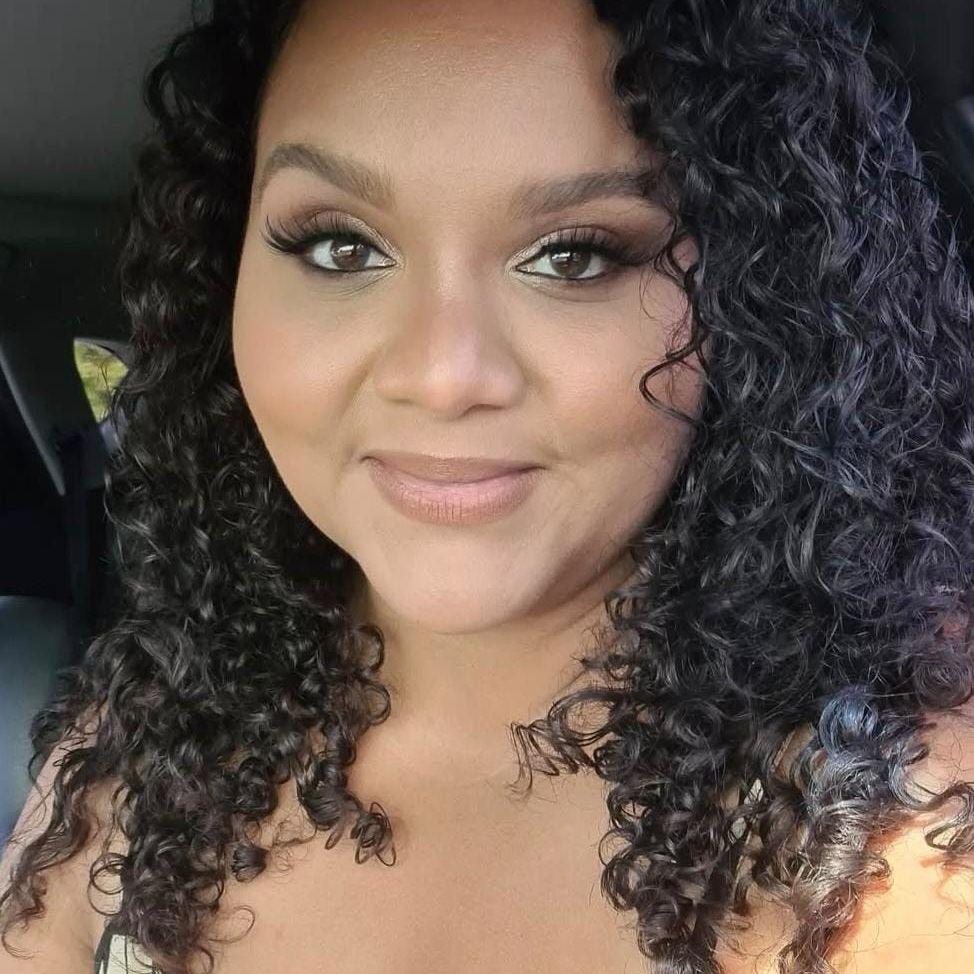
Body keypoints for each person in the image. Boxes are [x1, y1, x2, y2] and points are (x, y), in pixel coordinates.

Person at [2, 0, 974, 972]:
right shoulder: (138, 735)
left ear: (758, 306)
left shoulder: (896, 841)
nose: (440, 375)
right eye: (341, 246)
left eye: (573, 255)